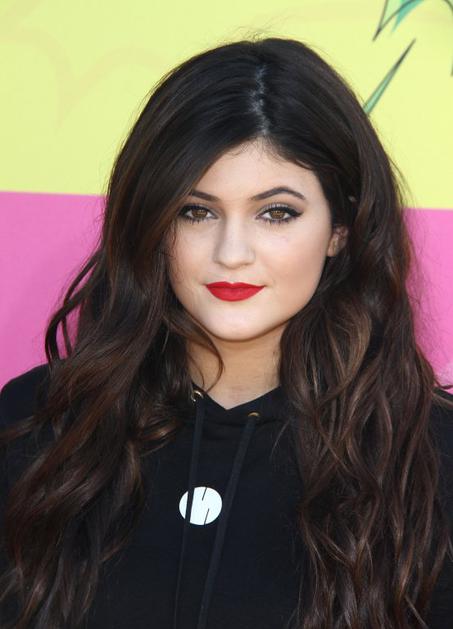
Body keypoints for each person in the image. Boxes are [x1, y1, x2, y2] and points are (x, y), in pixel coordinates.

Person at [1, 35, 453, 629]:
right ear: (151, 224)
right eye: (196, 211)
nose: (231, 253)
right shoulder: (39, 424)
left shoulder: (430, 456)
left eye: (276, 213)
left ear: (340, 229)